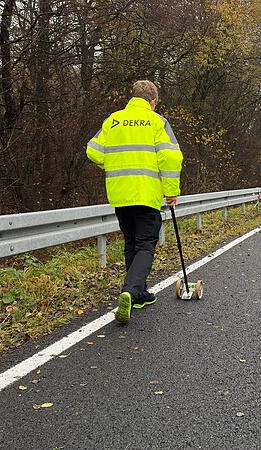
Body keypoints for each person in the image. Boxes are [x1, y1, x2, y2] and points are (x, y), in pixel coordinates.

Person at [86, 80, 183, 324]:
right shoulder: (157, 121)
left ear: (133, 97)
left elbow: (93, 151)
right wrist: (171, 191)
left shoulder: (114, 120)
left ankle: (138, 294)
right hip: (146, 194)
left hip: (120, 194)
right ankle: (130, 289)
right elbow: (170, 157)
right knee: (145, 244)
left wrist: (113, 166)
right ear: (153, 101)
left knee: (131, 241)